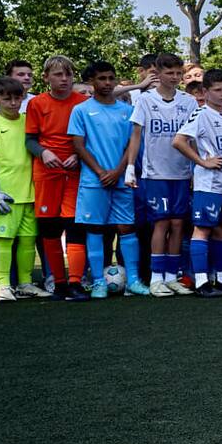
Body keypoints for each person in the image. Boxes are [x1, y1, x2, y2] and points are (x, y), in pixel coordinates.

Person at [67, 61, 145, 297]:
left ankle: (133, 280)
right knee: (95, 228)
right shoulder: (81, 110)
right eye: (102, 78)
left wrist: (118, 170)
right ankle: (99, 281)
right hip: (94, 180)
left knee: (126, 227)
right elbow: (78, 145)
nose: (107, 83)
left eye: (111, 78)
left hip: (121, 179)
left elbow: (132, 144)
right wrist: (101, 172)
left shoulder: (126, 111)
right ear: (93, 81)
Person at [172, 69, 222, 297]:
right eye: (218, 90)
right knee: (202, 230)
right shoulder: (201, 114)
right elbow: (179, 141)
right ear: (206, 92)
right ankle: (200, 282)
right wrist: (202, 162)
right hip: (209, 186)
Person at [128, 54, 198, 296]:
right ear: (158, 72)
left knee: (178, 223)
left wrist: (196, 167)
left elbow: (193, 136)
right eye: (170, 73)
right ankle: (156, 278)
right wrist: (130, 168)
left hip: (181, 172)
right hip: (154, 173)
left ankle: (171, 276)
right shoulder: (145, 100)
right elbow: (136, 135)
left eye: (179, 73)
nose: (175, 78)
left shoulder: (188, 101)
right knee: (161, 223)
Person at [24, 55, 88, 297]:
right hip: (46, 172)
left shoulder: (82, 103)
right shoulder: (37, 104)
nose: (64, 79)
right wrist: (43, 152)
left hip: (75, 172)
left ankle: (76, 282)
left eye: (68, 74)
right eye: (59, 74)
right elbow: (29, 140)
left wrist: (79, 155)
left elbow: (90, 140)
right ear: (46, 78)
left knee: (74, 226)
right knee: (49, 227)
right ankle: (59, 283)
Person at [0, 77, 41, 300]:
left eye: (17, 97)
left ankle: (25, 283)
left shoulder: (27, 121)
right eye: (7, 98)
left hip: (30, 192)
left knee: (28, 240)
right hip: (4, 195)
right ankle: (3, 286)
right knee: (4, 239)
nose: (13, 102)